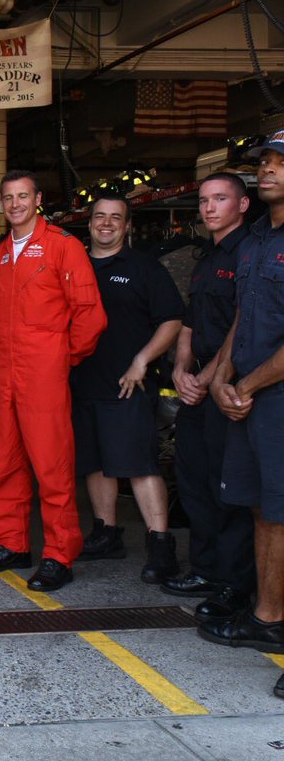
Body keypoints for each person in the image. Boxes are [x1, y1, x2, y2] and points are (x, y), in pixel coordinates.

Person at [0, 170, 107, 592]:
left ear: (38, 199)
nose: (14, 204)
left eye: (22, 196)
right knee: (6, 462)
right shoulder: (0, 255)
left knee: (52, 466)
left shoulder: (62, 247)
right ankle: (13, 542)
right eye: (8, 198)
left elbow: (90, 315)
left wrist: (58, 357)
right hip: (6, 371)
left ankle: (59, 554)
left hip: (43, 373)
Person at [199, 134, 284, 700]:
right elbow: (243, 319)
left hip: (274, 398)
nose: (268, 170)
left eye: (279, 164)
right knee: (264, 511)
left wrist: (244, 385)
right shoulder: (255, 241)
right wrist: (224, 377)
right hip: (253, 399)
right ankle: (268, 615)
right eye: (266, 162)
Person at [70, 195, 184, 584]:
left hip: (127, 384)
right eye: (99, 217)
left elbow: (171, 320)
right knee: (94, 462)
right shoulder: (74, 265)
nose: (106, 224)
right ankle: (106, 534)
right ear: (89, 224)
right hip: (82, 381)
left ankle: (160, 544)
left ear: (127, 226)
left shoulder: (143, 268)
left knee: (138, 464)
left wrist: (142, 361)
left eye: (115, 218)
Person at [165, 172, 256, 619]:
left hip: (226, 387)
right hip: (196, 385)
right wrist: (181, 368)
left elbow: (242, 322)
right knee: (194, 480)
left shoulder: (249, 253)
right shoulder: (206, 257)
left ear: (242, 205)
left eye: (220, 199)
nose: (209, 208)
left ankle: (234, 583)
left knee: (228, 487)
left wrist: (211, 376)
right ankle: (203, 568)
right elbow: (189, 320)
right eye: (203, 200)